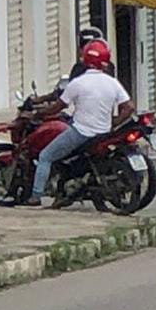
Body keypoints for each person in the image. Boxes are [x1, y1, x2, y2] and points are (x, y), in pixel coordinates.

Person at [27, 40, 134, 208]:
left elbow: (58, 106)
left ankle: (35, 195)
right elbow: (129, 107)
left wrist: (39, 113)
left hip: (81, 132)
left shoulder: (78, 83)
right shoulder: (113, 83)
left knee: (45, 156)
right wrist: (114, 123)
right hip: (104, 133)